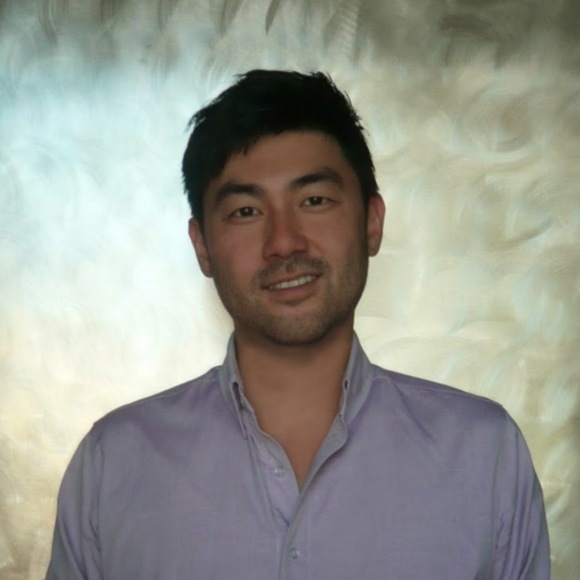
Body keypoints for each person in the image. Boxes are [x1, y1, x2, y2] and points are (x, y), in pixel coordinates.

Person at [46, 70, 550, 579]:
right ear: (202, 247)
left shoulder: (485, 455)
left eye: (314, 201)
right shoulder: (115, 463)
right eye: (246, 211)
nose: (284, 242)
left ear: (372, 222)